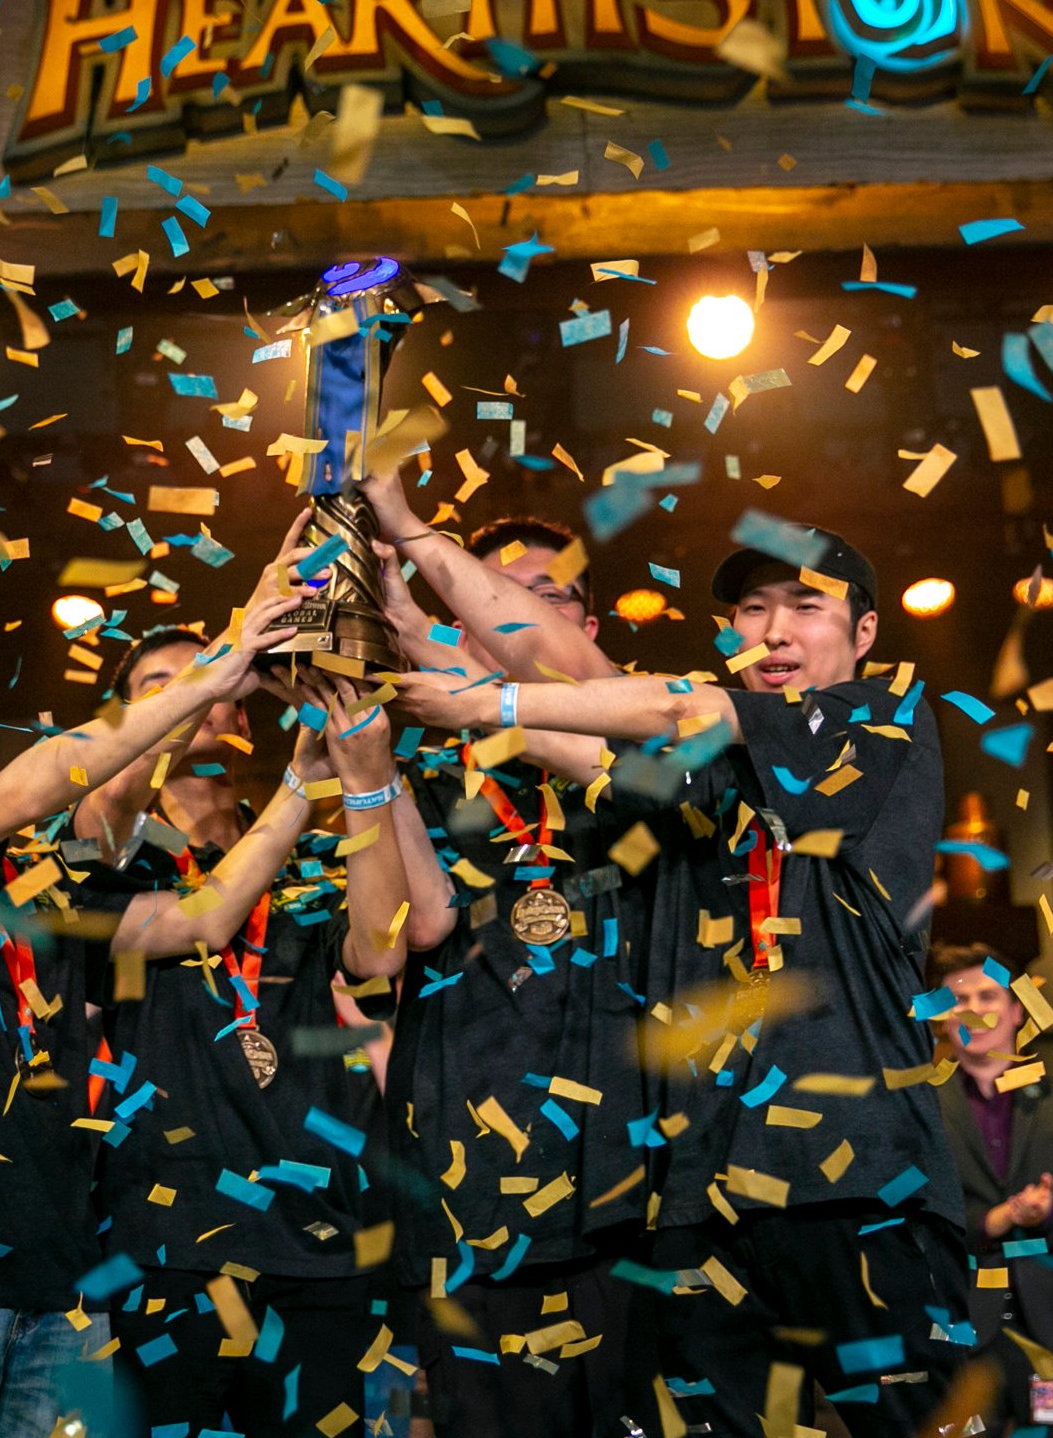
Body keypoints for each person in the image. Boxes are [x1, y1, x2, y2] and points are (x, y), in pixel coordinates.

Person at [387, 525, 971, 1438]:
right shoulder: (701, 778)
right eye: (752, 610)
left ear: (863, 636)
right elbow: (566, 701)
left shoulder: (881, 719)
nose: (775, 632)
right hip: (699, 1197)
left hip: (860, 1183)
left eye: (805, 607)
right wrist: (404, 604)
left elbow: (640, 708)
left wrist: (485, 701)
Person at [0, 526, 308, 1438]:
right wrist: (217, 664)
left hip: (67, 1278)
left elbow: (200, 919)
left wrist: (310, 781)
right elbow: (32, 790)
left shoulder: (39, 875)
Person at [359, 481, 653, 1437]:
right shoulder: (416, 773)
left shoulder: (658, 745)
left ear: (584, 628)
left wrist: (487, 703)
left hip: (639, 1194)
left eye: (544, 597)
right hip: (474, 1199)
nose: (510, 611)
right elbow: (404, 934)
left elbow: (623, 760)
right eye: (487, 593)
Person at [70, 632, 417, 1435]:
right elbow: (105, 807)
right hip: (162, 1249)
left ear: (244, 717)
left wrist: (354, 772)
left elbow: (381, 948)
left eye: (207, 683)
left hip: (320, 1246)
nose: (186, 697)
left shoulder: (316, 860)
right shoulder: (98, 868)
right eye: (160, 688)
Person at [931, 943, 1053, 1438]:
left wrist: (1052, 1214)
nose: (974, 1008)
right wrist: (992, 1221)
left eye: (989, 996)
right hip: (960, 1335)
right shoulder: (921, 1111)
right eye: (959, 997)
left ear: (1017, 1011)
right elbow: (908, 1220)